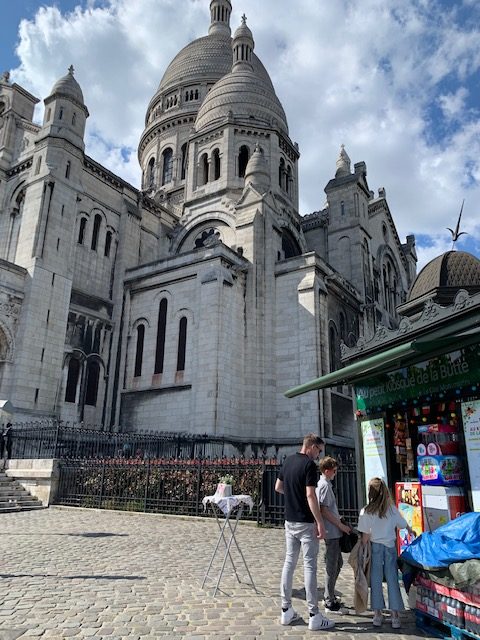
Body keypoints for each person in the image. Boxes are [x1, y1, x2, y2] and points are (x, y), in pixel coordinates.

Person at [275, 433, 335, 631]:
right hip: (306, 522)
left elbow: (278, 487)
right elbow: (310, 494)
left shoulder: (288, 461)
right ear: (310, 446)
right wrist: (320, 522)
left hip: (289, 521)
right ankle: (314, 615)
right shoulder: (309, 465)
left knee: (289, 562)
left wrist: (293, 495)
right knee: (309, 567)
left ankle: (286, 610)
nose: (318, 456)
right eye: (318, 451)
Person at [357, 477, 415, 629]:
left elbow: (365, 537)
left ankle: (377, 613)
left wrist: (363, 548)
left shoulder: (366, 511)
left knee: (375, 581)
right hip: (390, 547)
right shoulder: (391, 509)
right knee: (392, 580)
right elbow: (403, 524)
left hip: (375, 547)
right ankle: (395, 615)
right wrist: (410, 530)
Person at [316, 456, 352, 614]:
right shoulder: (323, 485)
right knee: (332, 565)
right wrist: (339, 525)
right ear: (326, 470)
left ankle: (329, 595)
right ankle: (329, 600)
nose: (336, 473)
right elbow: (324, 509)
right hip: (331, 531)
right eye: (334, 470)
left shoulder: (326, 484)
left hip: (334, 529)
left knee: (338, 563)